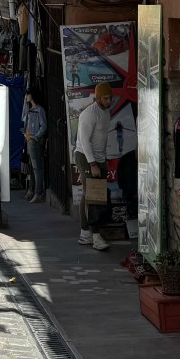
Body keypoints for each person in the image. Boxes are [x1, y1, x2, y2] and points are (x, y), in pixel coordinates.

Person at [74, 83, 114, 251]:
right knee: (93, 195)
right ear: (97, 97)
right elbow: (84, 140)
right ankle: (95, 236)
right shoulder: (89, 114)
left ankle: (85, 234)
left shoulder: (106, 112)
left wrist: (102, 160)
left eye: (110, 98)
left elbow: (102, 138)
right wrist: (92, 163)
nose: (109, 101)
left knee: (91, 194)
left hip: (98, 158)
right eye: (105, 98)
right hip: (86, 157)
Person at [21, 91, 47, 202]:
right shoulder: (29, 110)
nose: (26, 97)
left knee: (37, 168)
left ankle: (38, 192)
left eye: (28, 94)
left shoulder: (39, 110)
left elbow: (44, 126)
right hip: (29, 140)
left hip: (34, 141)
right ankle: (32, 190)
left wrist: (35, 137)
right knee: (32, 168)